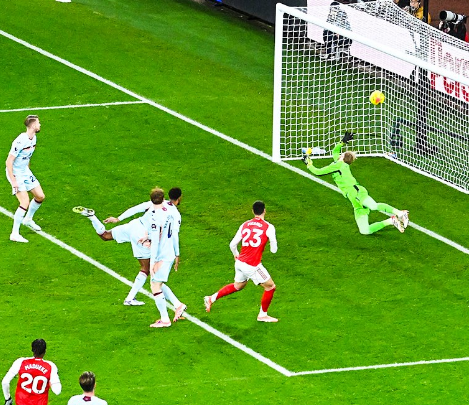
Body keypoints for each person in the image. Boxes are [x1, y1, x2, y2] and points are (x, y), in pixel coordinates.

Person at [72, 188, 186, 323]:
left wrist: (118, 218)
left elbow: (136, 208)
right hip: (143, 236)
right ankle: (169, 304)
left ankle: (92, 217)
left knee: (105, 235)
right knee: (150, 272)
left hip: (134, 225)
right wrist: (174, 253)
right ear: (179, 197)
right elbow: (166, 233)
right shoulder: (173, 214)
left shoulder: (155, 203)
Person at [302, 132, 409, 235]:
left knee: (373, 206)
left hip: (357, 192)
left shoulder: (338, 165)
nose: (340, 154)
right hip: (353, 198)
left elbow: (318, 172)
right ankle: (391, 221)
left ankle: (400, 213)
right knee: (365, 230)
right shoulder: (338, 162)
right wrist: (342, 142)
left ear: (342, 157)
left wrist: (309, 164)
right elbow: (335, 151)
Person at [204, 201, 279, 323]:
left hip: (239, 262)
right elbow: (274, 250)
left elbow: (232, 244)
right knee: (270, 286)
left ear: (253, 211)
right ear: (264, 211)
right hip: (252, 265)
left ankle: (211, 298)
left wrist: (236, 255)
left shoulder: (245, 224)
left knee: (238, 286)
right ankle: (262, 315)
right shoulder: (269, 227)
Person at [5, 115, 45, 243]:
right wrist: (14, 181)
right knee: (24, 202)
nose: (40, 125)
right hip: (16, 173)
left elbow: (27, 157)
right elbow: (9, 161)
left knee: (40, 196)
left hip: (25, 171)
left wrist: (28, 172)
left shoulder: (34, 138)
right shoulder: (20, 141)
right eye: (38, 123)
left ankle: (28, 219)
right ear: (33, 125)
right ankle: (14, 234)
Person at [144, 188, 180, 328]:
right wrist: (177, 253)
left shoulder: (155, 217)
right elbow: (173, 234)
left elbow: (156, 242)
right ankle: (178, 305)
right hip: (169, 252)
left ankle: (165, 320)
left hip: (162, 255)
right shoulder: (169, 213)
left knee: (155, 285)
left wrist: (153, 262)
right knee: (158, 283)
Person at [2, 339, 61, 405]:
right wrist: (50, 382)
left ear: (32, 350)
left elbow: (5, 382)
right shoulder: (50, 366)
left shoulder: (20, 362)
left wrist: (8, 399)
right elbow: (57, 391)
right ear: (45, 351)